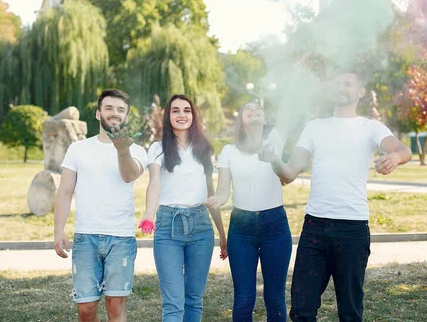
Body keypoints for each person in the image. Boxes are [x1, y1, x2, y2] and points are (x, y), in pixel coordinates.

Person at [260, 71, 412, 322]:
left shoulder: (371, 127)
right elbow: (288, 175)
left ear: (361, 92)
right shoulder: (315, 127)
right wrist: (274, 159)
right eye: (337, 83)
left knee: (350, 312)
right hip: (315, 229)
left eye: (348, 83)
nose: (341, 87)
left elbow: (403, 150)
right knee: (301, 310)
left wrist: (394, 158)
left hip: (352, 229)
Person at [53, 89, 148, 322]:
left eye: (120, 110)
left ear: (126, 116)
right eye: (109, 108)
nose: (114, 113)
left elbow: (129, 175)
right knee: (86, 310)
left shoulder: (136, 150)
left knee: (115, 309)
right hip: (86, 238)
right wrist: (58, 230)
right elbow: (65, 191)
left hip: (121, 238)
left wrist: (122, 150)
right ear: (98, 114)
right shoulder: (78, 149)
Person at [140, 94, 227, 322]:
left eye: (187, 110)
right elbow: (154, 183)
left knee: (194, 300)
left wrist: (222, 233)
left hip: (201, 227)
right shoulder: (158, 148)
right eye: (175, 110)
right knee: (173, 304)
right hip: (169, 226)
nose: (181, 115)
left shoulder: (204, 149)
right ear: (168, 116)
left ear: (193, 115)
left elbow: (211, 193)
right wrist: (149, 214)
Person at [205, 101, 292, 321]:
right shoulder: (229, 151)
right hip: (241, 229)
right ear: (241, 121)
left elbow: (289, 102)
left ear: (264, 118)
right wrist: (219, 198)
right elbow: (224, 188)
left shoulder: (276, 141)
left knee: (275, 298)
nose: (254, 111)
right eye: (247, 109)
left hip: (276, 226)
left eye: (259, 108)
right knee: (244, 298)